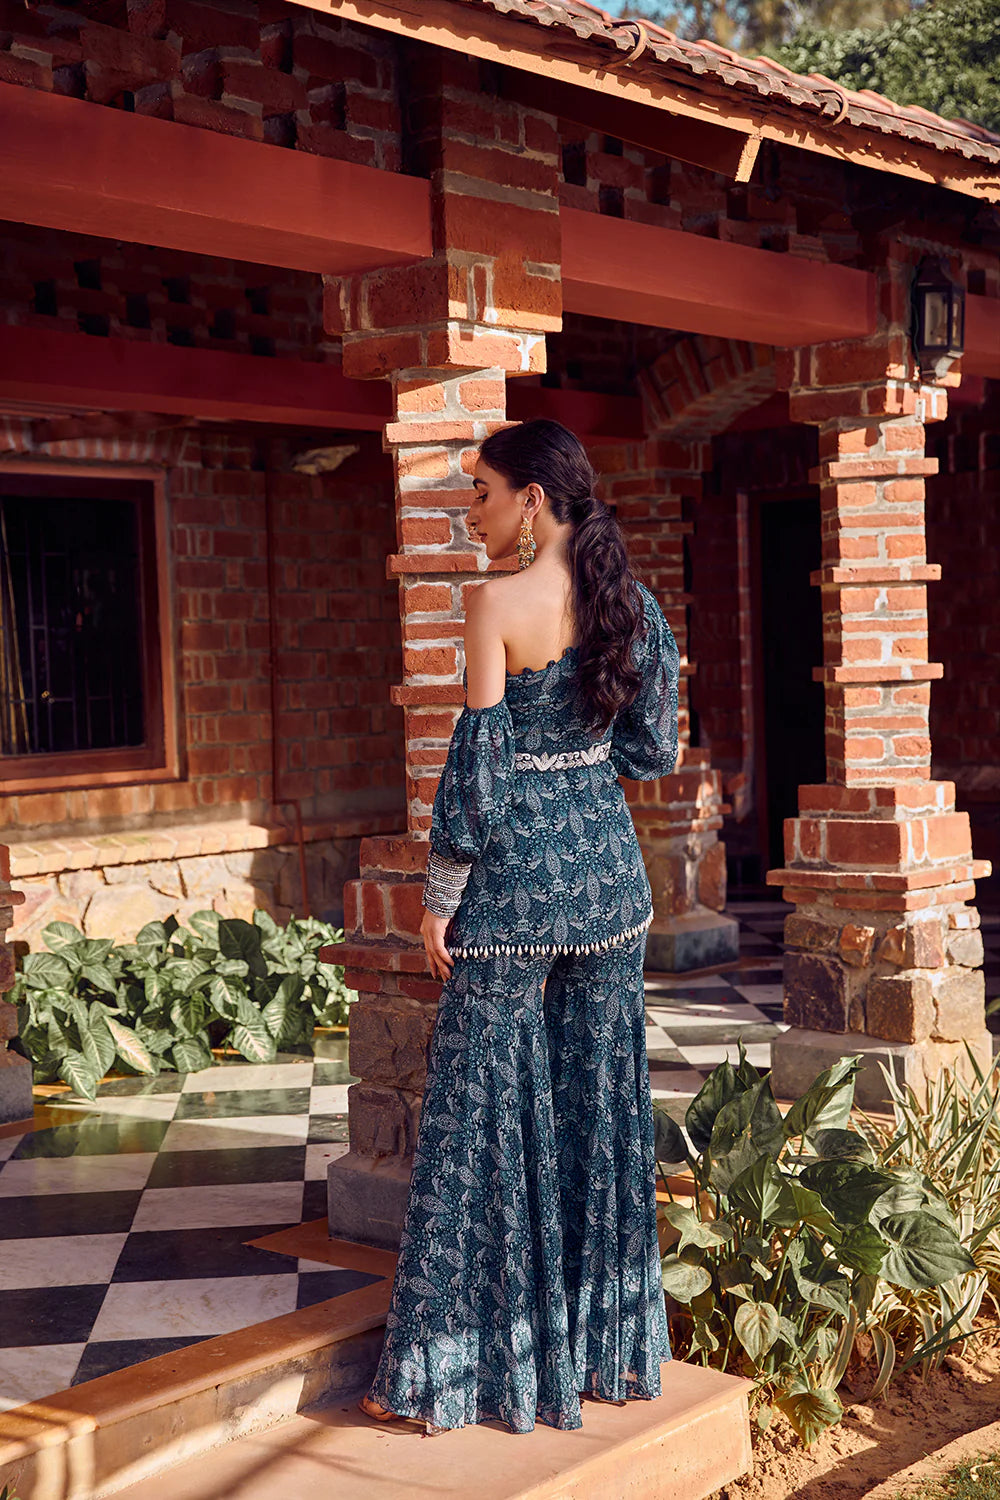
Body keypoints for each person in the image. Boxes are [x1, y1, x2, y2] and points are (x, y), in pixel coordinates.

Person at [357, 418, 680, 1435]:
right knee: (599, 1111)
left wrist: (439, 898)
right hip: (611, 889)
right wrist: (584, 763)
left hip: (512, 898)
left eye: (483, 496)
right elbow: (653, 747)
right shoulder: (632, 602)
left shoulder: (494, 602)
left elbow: (477, 776)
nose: (475, 515)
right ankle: (598, 1356)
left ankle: (452, 1377)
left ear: (533, 499)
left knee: (477, 1121)